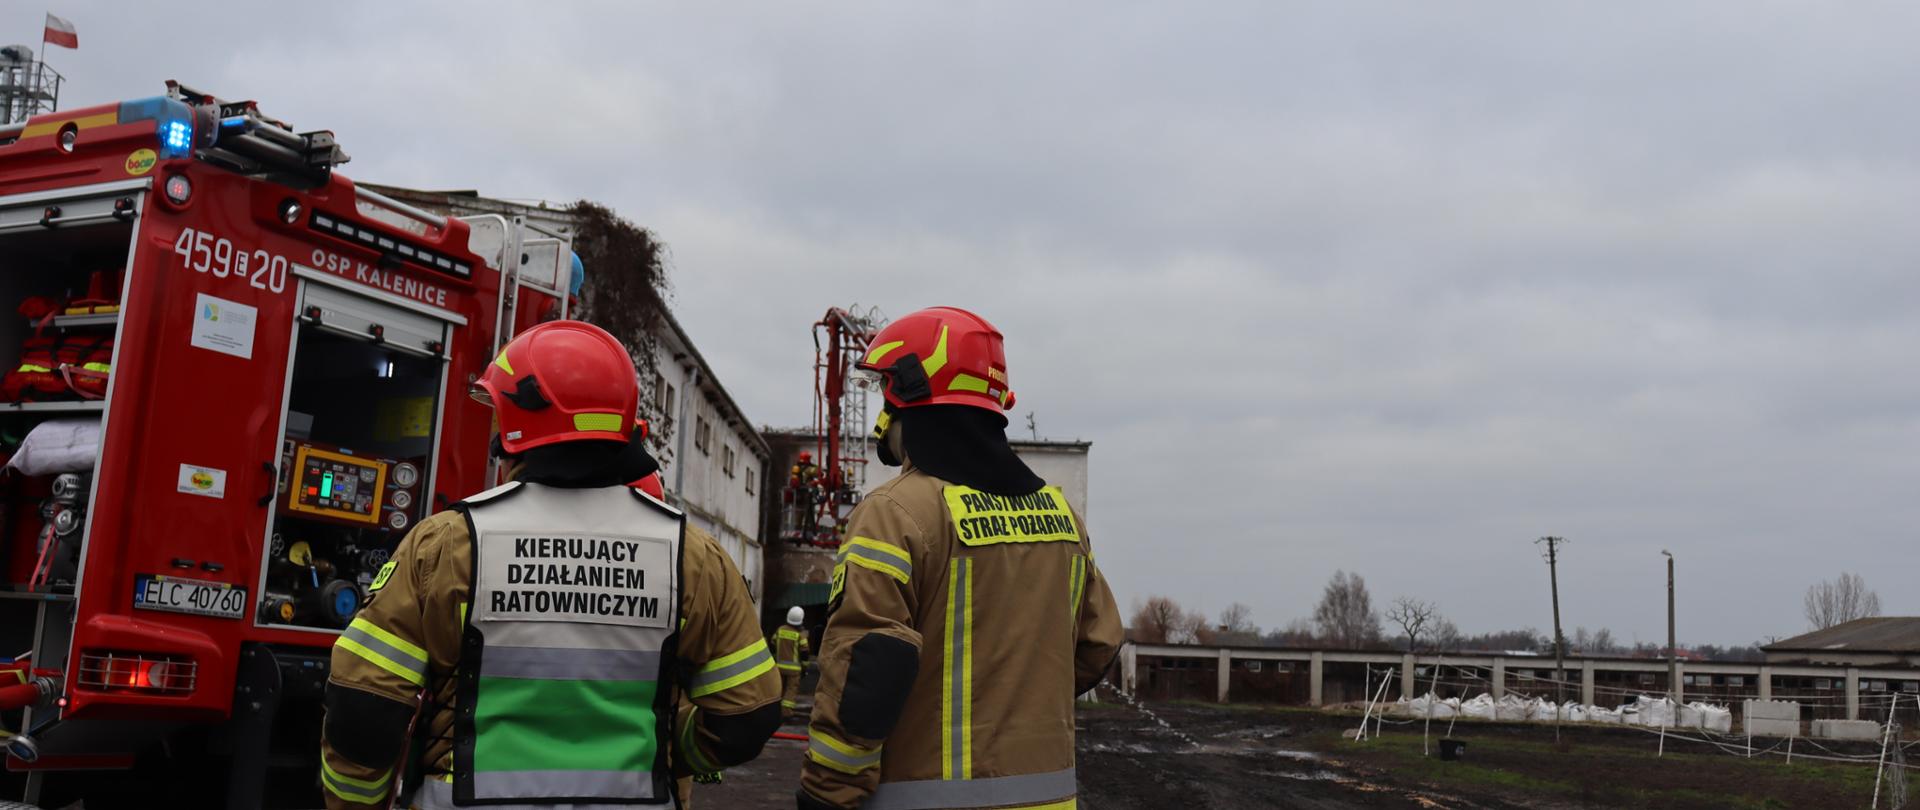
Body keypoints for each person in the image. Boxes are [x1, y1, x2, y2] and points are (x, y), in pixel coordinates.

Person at [318, 321, 781, 809]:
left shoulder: (446, 545)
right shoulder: (694, 556)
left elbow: (363, 713)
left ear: (521, 420)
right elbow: (745, 716)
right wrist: (669, 750)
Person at [797, 307, 1124, 810]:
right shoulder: (1064, 522)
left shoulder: (895, 513)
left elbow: (865, 673)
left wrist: (826, 796)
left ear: (906, 394)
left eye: (885, 388)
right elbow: (1099, 644)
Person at [774, 605, 812, 718]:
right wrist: (805, 668)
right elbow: (805, 654)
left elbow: (772, 644)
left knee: (778, 689)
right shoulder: (800, 635)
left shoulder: (780, 630)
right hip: (794, 670)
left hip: (779, 667)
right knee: (790, 691)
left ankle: (774, 711)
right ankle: (786, 713)